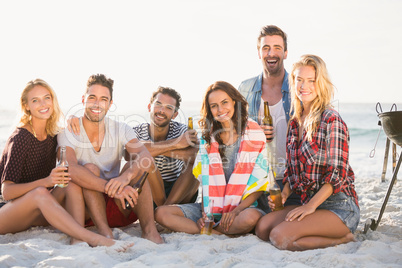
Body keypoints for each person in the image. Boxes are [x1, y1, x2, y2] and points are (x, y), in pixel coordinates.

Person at [0, 79, 131, 250]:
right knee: (40, 192)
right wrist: (46, 182)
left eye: (47, 98)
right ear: (26, 106)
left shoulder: (52, 134)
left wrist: (73, 118)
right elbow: (7, 192)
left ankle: (77, 239)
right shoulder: (20, 137)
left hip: (41, 208)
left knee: (73, 176)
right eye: (35, 100)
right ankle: (91, 237)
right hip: (9, 212)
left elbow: (67, 133)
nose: (43, 104)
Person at [255, 55, 360, 251]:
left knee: (279, 237)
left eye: (311, 80)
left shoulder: (331, 120)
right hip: (307, 203)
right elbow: (292, 170)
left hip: (338, 206)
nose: (304, 86)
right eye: (299, 80)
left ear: (320, 84)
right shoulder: (294, 122)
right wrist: (285, 193)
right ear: (292, 82)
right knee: (262, 228)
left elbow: (336, 175)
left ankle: (344, 238)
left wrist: (310, 206)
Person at [57, 74, 163, 244]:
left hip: (120, 205)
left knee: (133, 166)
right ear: (83, 99)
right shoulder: (70, 130)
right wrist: (110, 187)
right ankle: (105, 232)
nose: (97, 104)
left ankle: (149, 231)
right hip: (85, 211)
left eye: (103, 99)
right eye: (92, 97)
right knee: (90, 169)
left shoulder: (120, 128)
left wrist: (125, 177)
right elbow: (69, 168)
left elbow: (145, 157)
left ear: (110, 104)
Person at [155, 81, 270, 235]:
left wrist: (236, 211)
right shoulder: (207, 138)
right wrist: (205, 214)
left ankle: (209, 232)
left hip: (243, 208)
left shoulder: (254, 133)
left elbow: (259, 185)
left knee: (249, 219)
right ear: (209, 109)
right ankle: (216, 232)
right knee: (161, 213)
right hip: (212, 207)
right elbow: (206, 184)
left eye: (224, 103)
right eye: (214, 105)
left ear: (235, 102)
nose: (220, 109)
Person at [238, 25, 301, 208]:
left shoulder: (298, 88)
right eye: (266, 48)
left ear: (286, 53)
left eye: (277, 48)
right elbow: (234, 133)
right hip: (255, 179)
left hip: (291, 180)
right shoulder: (245, 88)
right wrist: (254, 133)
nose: (271, 53)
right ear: (259, 53)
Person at [132, 86, 199, 207]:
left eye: (169, 108)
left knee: (197, 165)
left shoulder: (182, 131)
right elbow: (130, 152)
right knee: (147, 160)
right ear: (149, 107)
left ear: (174, 114)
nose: (162, 110)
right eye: (158, 104)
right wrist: (175, 144)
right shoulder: (136, 131)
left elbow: (197, 156)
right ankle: (165, 212)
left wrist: (153, 149)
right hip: (149, 190)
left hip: (179, 190)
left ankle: (164, 210)